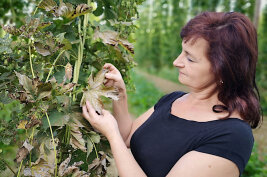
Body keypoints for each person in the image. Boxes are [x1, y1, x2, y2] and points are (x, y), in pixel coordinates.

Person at [82, 11, 262, 177]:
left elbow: (118, 139)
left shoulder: (232, 136)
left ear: (222, 69)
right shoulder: (173, 100)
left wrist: (112, 135)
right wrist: (120, 96)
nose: (177, 62)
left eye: (190, 58)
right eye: (182, 51)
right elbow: (128, 138)